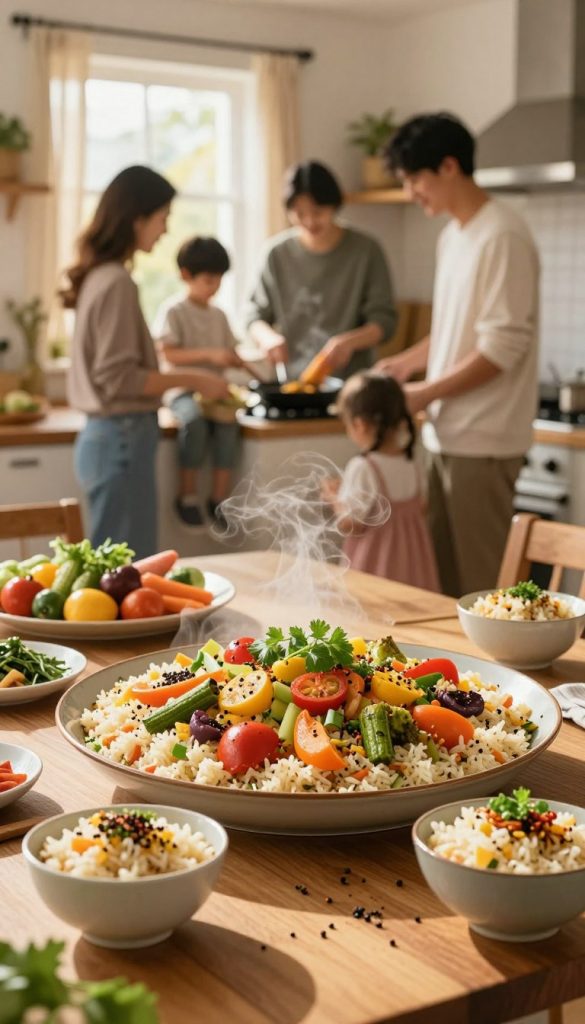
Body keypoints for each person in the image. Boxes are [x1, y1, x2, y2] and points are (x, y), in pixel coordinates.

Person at [376, 113, 539, 596]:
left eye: (414, 180)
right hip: (446, 435)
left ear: (449, 167)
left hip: (485, 440)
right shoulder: (454, 236)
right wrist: (407, 363)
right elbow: (458, 328)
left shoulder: (502, 235)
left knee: (483, 590)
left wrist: (424, 392)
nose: (410, 193)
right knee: (442, 588)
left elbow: (502, 346)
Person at [62, 165, 229, 558]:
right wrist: (198, 380)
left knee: (116, 572)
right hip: (122, 439)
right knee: (125, 572)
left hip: (110, 439)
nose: (165, 229)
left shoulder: (99, 276)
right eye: (161, 218)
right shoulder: (116, 282)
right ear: (136, 219)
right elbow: (120, 380)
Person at [245, 160, 397, 381]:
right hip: (292, 381)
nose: (309, 221)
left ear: (334, 205)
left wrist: (349, 342)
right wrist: (267, 338)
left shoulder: (366, 250)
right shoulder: (275, 254)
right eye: (298, 213)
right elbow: (253, 315)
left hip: (353, 383)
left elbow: (384, 322)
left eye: (318, 211)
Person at [152, 237, 243, 528]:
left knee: (229, 427)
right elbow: (168, 353)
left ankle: (218, 500)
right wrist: (211, 355)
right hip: (183, 390)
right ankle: (187, 495)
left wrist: (231, 358)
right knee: (194, 423)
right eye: (208, 280)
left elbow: (229, 350)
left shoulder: (220, 315)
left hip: (217, 393)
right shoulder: (174, 311)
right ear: (186, 276)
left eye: (219, 280)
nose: (214, 286)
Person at [322, 371, 440, 590]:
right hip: (412, 567)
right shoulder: (412, 462)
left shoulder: (363, 466)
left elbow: (351, 524)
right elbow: (422, 508)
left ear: (360, 425)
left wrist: (335, 498)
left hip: (376, 567)